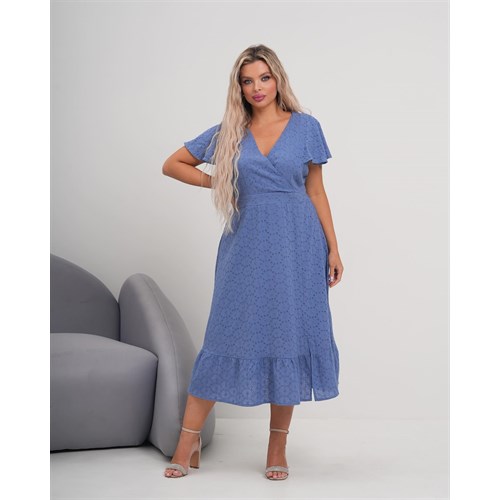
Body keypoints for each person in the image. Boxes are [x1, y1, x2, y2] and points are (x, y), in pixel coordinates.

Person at [161, 44, 344, 480]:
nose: (257, 87)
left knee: (288, 334)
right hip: (245, 243)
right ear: (239, 87)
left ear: (277, 79)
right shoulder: (231, 131)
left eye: (264, 78)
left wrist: (334, 248)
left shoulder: (306, 127)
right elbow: (173, 164)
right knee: (225, 331)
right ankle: (188, 439)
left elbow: (316, 190)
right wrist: (219, 181)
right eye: (247, 81)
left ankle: (277, 445)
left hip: (299, 243)